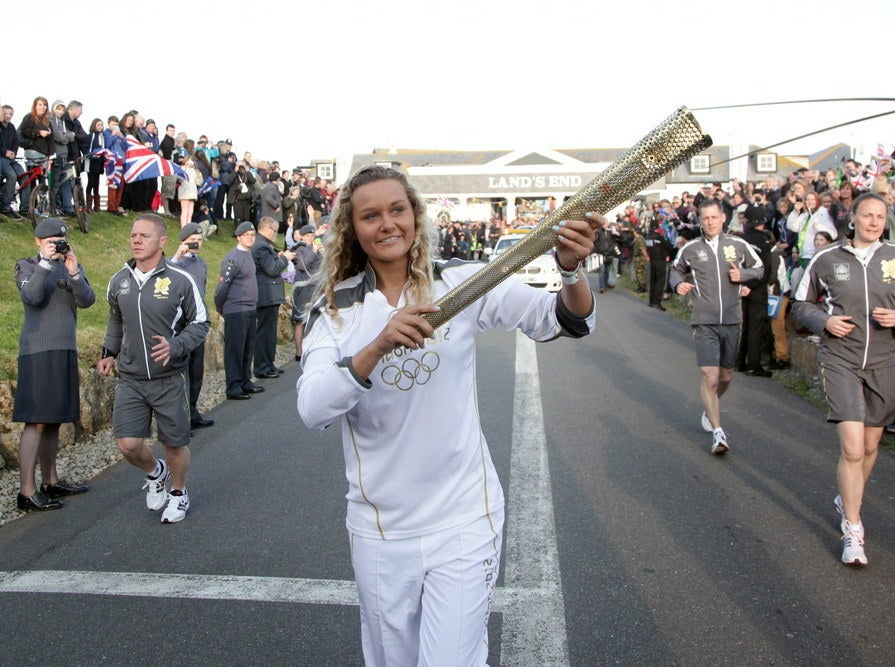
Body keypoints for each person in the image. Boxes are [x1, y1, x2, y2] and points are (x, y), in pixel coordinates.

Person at [296, 165, 598, 666]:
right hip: (380, 532)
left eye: (398, 209)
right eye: (371, 215)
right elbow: (312, 408)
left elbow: (567, 320)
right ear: (354, 228)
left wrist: (570, 270)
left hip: (463, 519)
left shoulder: (460, 283)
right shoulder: (332, 310)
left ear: (415, 215)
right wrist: (377, 345)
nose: (388, 223)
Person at [792, 193, 895, 566]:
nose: (873, 222)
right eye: (866, 215)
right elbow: (801, 303)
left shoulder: (893, 257)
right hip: (841, 360)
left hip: (885, 363)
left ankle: (848, 497)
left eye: (880, 216)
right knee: (852, 448)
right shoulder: (827, 258)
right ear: (852, 217)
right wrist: (825, 322)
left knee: (870, 448)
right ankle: (853, 528)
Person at [97, 214, 210, 524]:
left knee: (174, 444)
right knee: (128, 444)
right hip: (131, 378)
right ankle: (155, 472)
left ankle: (178, 492)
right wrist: (109, 352)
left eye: (144, 236)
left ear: (162, 242)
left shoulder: (179, 279)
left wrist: (176, 346)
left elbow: (201, 323)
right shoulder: (119, 279)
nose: (136, 240)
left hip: (168, 377)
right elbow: (116, 320)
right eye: (133, 235)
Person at [668, 199, 764, 455]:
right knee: (709, 376)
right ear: (700, 220)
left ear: (723, 218)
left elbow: (759, 268)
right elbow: (675, 270)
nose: (709, 222)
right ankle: (718, 433)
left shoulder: (739, 246)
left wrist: (742, 277)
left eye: (714, 217)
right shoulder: (691, 248)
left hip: (732, 319)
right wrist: (678, 284)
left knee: (725, 377)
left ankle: (710, 405)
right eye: (705, 218)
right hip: (704, 320)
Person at [14, 218, 95, 511]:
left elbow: (87, 301)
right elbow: (31, 296)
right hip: (37, 350)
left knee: (53, 420)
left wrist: (74, 272)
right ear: (38, 242)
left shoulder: (71, 265)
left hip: (65, 348)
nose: (56, 245)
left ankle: (51, 481)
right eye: (49, 241)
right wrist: (46, 262)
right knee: (36, 419)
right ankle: (26, 491)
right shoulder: (27, 266)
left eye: (59, 240)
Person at [169, 222, 214, 429]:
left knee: (196, 370)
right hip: (181, 324)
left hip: (198, 321)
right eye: (193, 241)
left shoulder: (202, 264)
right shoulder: (174, 262)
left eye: (200, 240)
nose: (197, 244)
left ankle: (193, 411)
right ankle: (181, 417)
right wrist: (178, 255)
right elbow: (165, 275)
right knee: (182, 372)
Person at [214, 221, 265, 400]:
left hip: (250, 308)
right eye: (246, 235)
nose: (250, 238)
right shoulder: (232, 258)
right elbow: (222, 287)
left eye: (252, 235)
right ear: (238, 237)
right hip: (236, 310)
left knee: (247, 348)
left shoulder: (248, 254)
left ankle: (245, 380)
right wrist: (220, 307)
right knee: (235, 349)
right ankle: (234, 386)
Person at [252, 216, 294, 378]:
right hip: (265, 295)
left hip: (267, 295)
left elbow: (268, 265)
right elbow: (272, 270)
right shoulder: (261, 245)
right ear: (268, 228)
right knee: (265, 332)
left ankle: (268, 364)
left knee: (269, 332)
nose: (276, 234)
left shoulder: (262, 244)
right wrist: (284, 259)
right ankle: (262, 367)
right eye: (275, 231)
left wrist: (277, 257)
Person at [289, 224, 321, 362]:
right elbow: (302, 266)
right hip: (303, 288)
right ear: (302, 236)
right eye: (308, 235)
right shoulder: (298, 249)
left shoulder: (318, 248)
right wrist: (313, 252)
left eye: (312, 235)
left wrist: (323, 253)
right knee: (301, 321)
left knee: (316, 319)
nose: (310, 238)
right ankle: (299, 352)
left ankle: (314, 348)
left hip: (317, 288)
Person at [1, 104, 25, 219]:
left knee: (25, 176)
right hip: (1, 157)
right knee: (12, 176)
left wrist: (13, 152)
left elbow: (16, 142)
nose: (8, 116)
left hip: (11, 158)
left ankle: (25, 208)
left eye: (10, 114)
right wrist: (5, 152)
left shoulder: (11, 127)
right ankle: (5, 207)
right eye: (5, 113)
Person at [644, 219, 674, 310]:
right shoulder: (658, 237)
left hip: (652, 261)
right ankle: (657, 302)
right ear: (657, 227)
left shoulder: (648, 237)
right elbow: (668, 246)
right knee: (660, 281)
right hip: (660, 261)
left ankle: (651, 301)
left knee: (652, 281)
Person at [82, 117, 105, 212]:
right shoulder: (90, 136)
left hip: (99, 162)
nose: (100, 127)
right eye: (98, 125)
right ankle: (88, 206)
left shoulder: (102, 137)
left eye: (101, 125)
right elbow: (85, 148)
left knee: (97, 183)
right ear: (94, 126)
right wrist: (90, 155)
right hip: (91, 162)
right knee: (90, 182)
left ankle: (97, 206)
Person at [178, 154, 202, 228]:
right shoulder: (181, 169)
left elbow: (199, 182)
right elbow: (179, 179)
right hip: (185, 191)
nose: (190, 162)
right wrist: (185, 168)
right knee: (185, 210)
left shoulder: (194, 171)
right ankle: (183, 226)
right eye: (188, 161)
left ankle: (188, 225)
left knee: (190, 211)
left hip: (192, 192)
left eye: (191, 161)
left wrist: (199, 175)